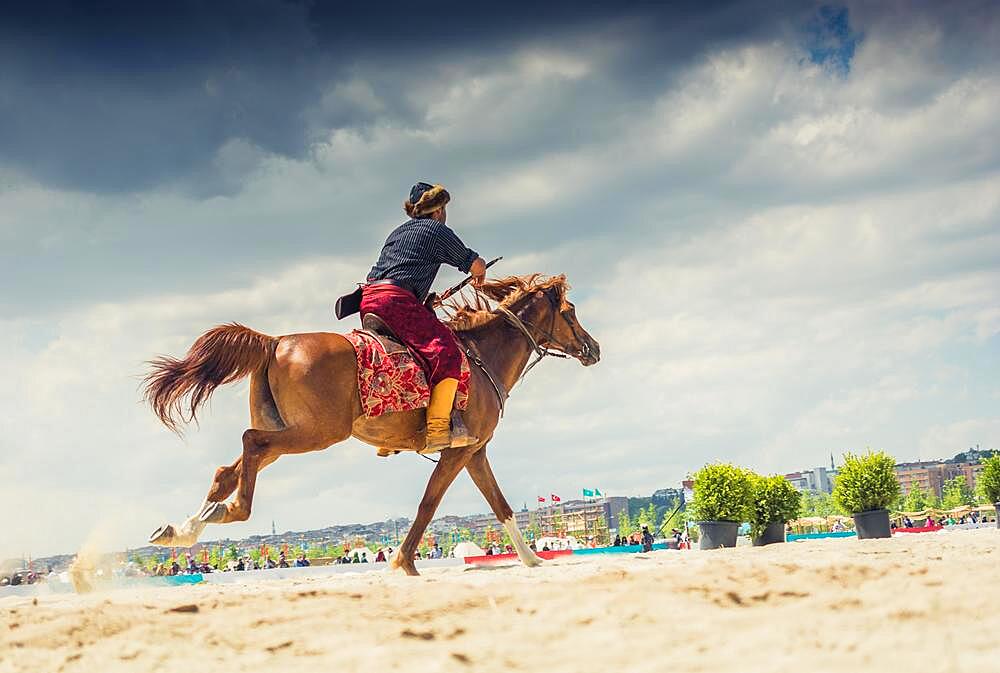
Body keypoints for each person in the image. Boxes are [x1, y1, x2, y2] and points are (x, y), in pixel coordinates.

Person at [361, 182, 488, 453]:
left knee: (407, 358)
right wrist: (480, 271)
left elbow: (397, 271)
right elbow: (473, 263)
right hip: (396, 302)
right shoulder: (437, 230)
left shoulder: (397, 232)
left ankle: (391, 436)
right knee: (447, 352)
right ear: (439, 209)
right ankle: (439, 429)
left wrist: (422, 301)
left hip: (370, 300)